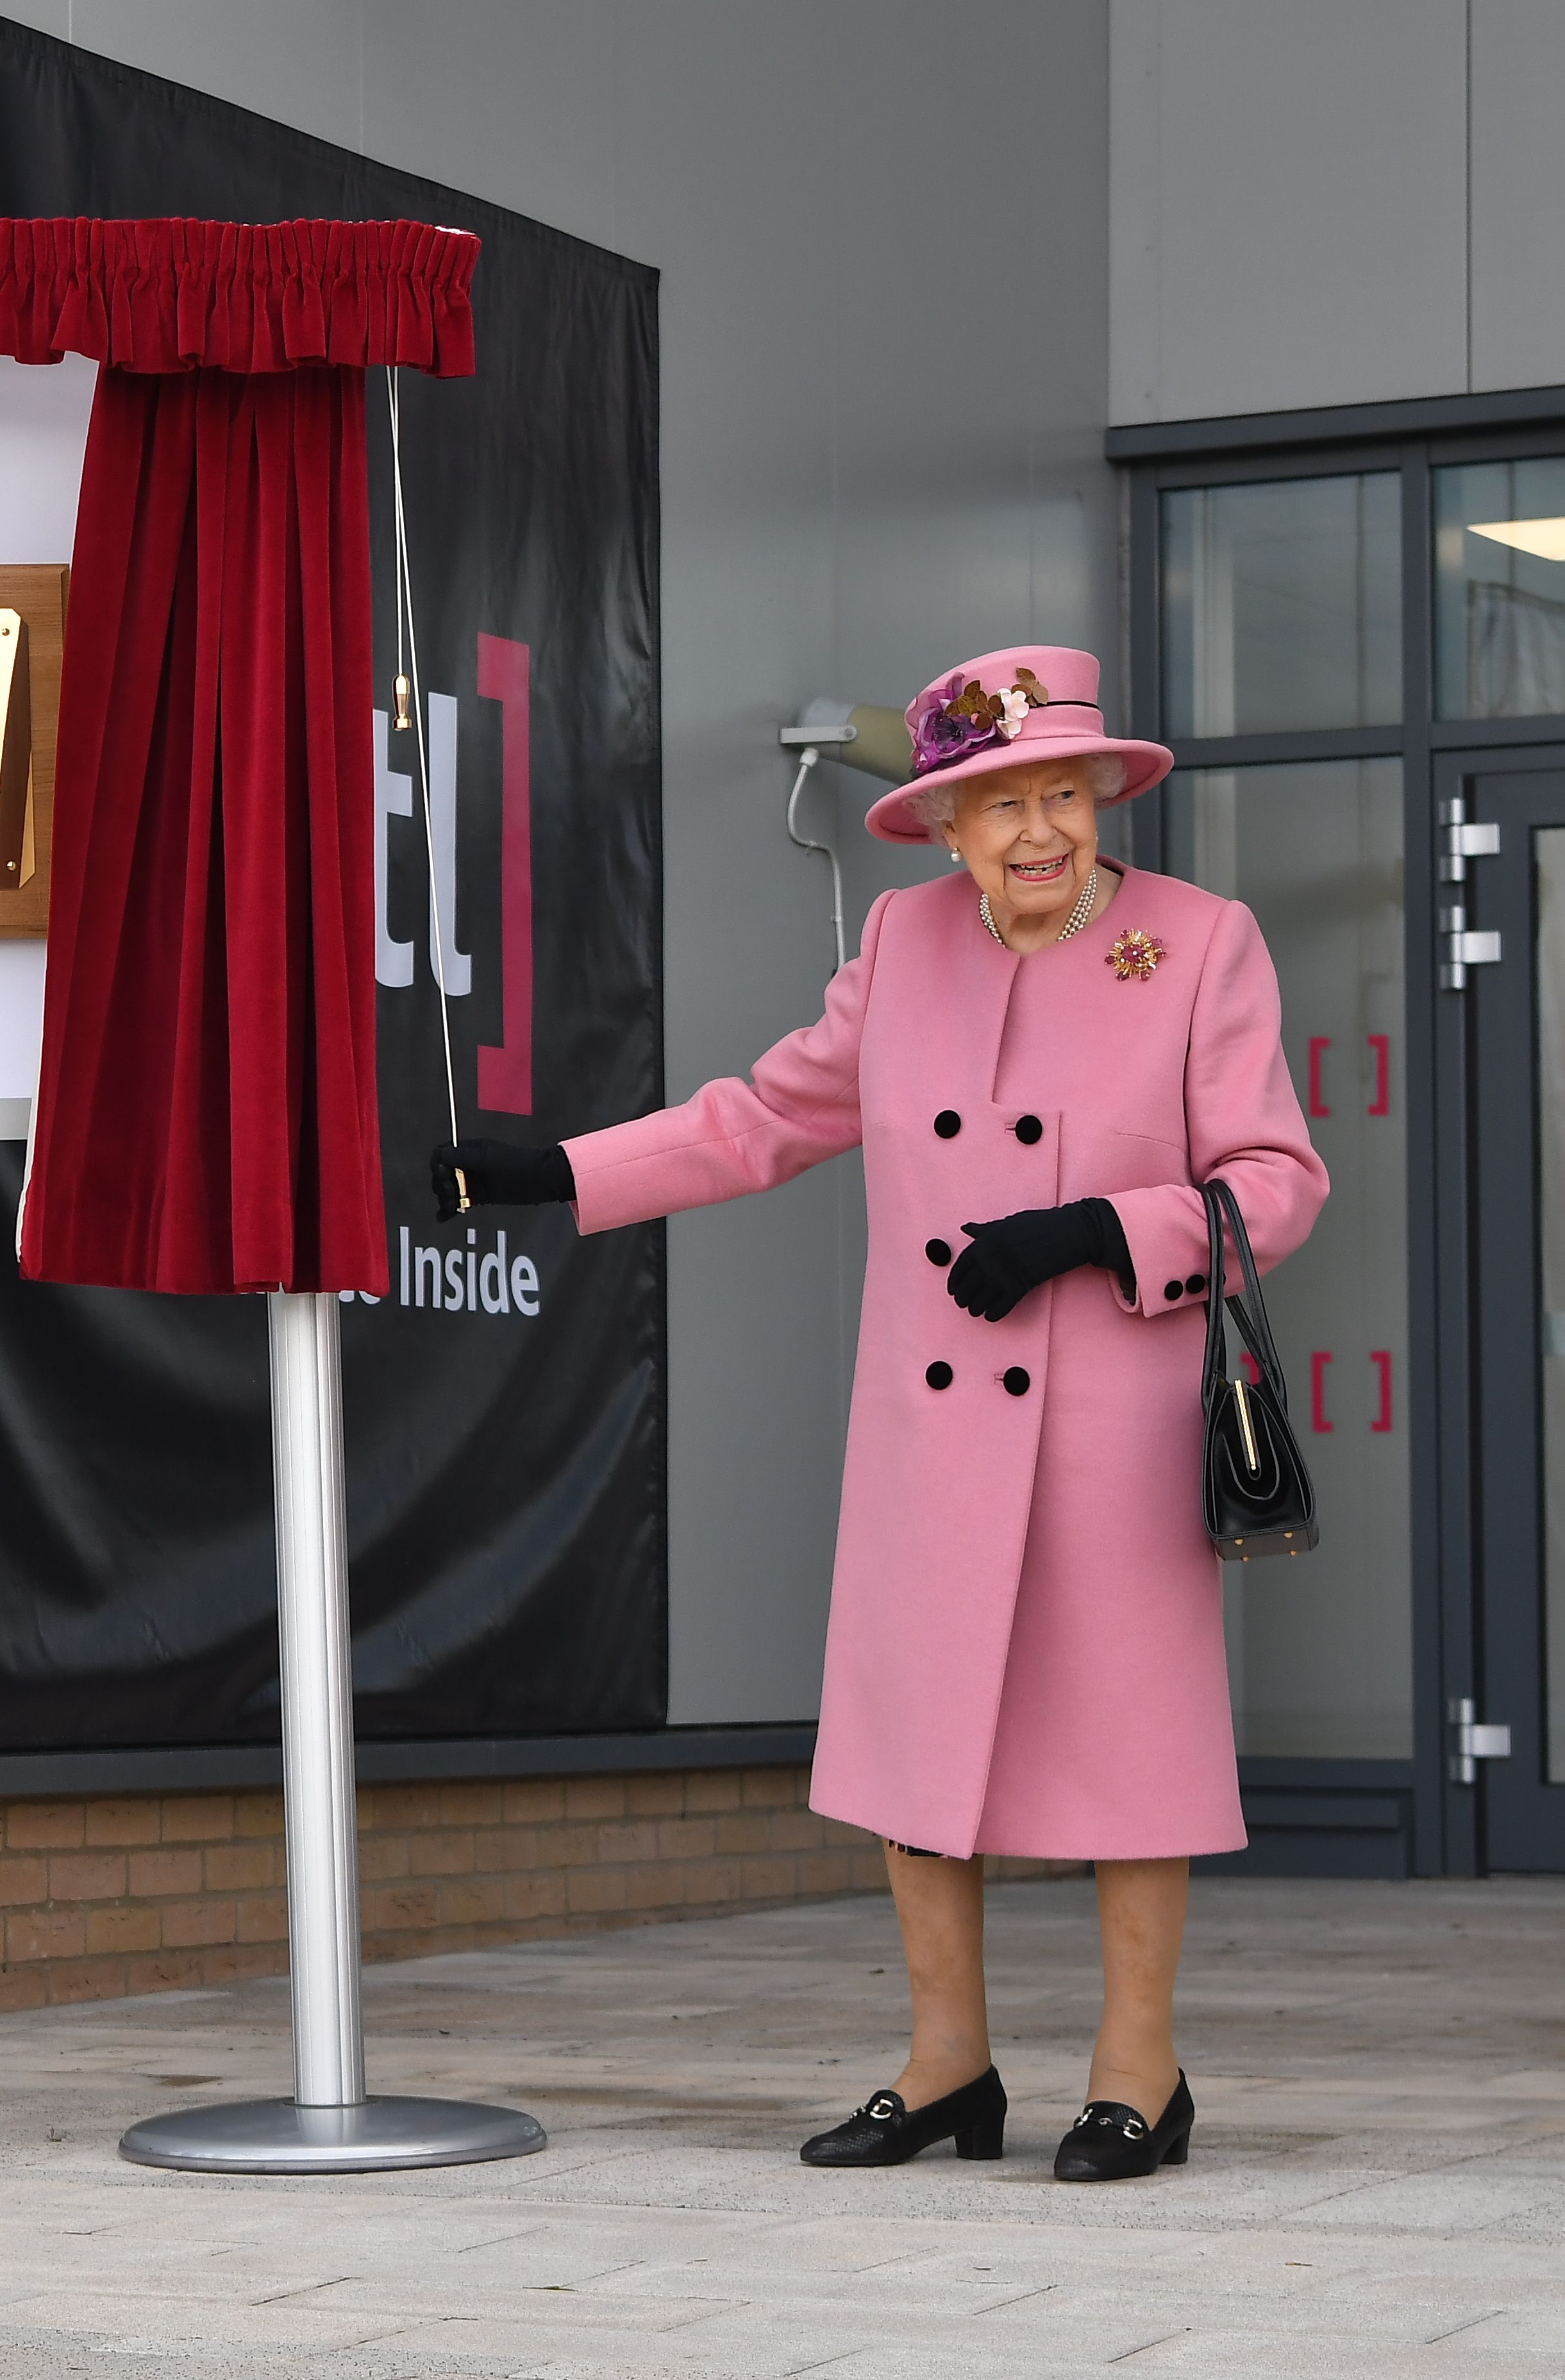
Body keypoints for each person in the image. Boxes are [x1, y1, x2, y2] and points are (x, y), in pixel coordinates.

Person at [436, 646, 1323, 2183]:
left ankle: (1139, 2073)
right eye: (1000, 805)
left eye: (1062, 793)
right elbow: (767, 1116)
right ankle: (945, 2063)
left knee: (1129, 1745)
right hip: (932, 1431)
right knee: (920, 1747)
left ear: (1106, 794)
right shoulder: (906, 945)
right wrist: (560, 1173)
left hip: (1112, 1420)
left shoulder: (1197, 943)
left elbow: (1277, 1178)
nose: (1037, 831)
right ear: (945, 826)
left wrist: (1099, 1231)